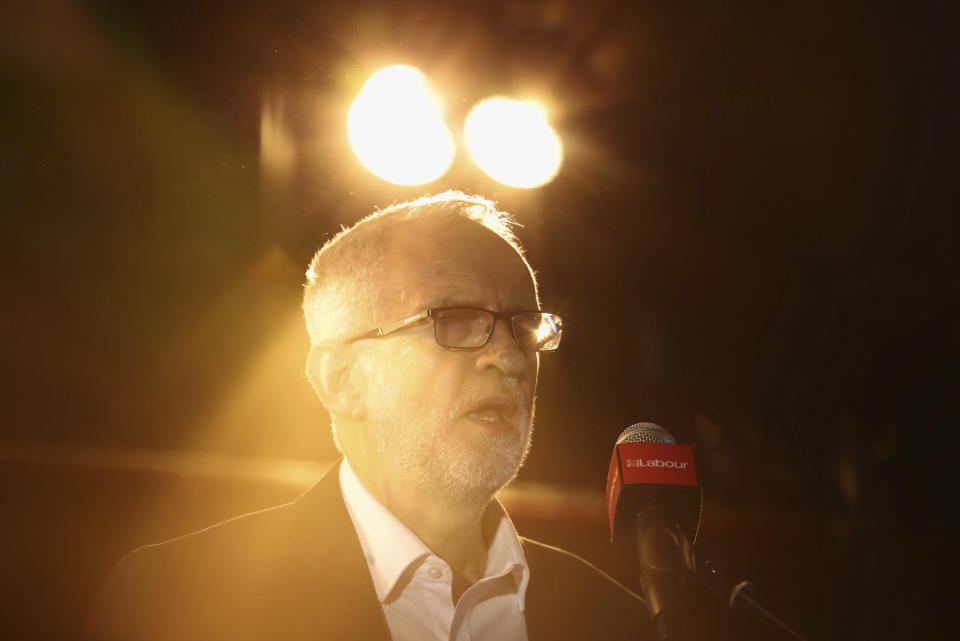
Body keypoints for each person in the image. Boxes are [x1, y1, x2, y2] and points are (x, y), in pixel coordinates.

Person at [89, 192, 651, 640]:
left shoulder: (622, 622)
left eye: (525, 326)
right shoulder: (182, 598)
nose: (507, 356)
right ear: (342, 379)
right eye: (454, 320)